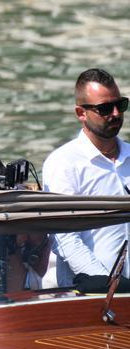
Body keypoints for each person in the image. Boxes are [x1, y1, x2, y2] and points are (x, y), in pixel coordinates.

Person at [42, 68, 130, 286]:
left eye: (121, 105)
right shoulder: (63, 163)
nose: (116, 113)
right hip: (89, 295)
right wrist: (107, 284)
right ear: (81, 113)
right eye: (105, 108)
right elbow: (63, 236)